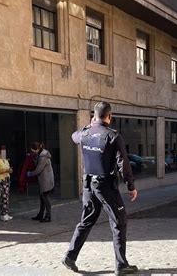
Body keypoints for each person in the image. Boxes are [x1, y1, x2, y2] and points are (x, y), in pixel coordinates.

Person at [62, 102, 138, 275]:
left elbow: (74, 136)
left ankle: (70, 257)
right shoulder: (112, 136)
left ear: (94, 116)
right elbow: (123, 163)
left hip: (88, 184)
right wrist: (131, 186)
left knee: (86, 221)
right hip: (106, 186)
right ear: (109, 117)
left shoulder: (85, 133)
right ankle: (121, 265)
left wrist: (90, 125)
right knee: (119, 222)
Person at [27, 142, 54, 223]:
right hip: (45, 180)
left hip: (46, 180)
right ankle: (40, 214)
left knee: (45, 198)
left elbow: (38, 169)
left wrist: (29, 174)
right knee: (42, 198)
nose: (33, 152)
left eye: (34, 150)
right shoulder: (42, 154)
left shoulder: (43, 157)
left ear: (38, 149)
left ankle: (48, 216)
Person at [0, 145, 13, 222]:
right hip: (1, 180)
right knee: (3, 197)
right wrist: (6, 170)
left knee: (7, 197)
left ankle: (6, 213)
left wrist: (10, 170)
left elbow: (8, 169)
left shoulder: (6, 160)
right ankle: (3, 214)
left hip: (7, 179)